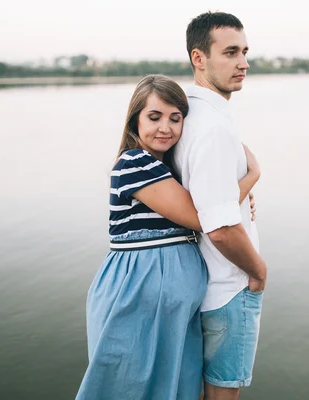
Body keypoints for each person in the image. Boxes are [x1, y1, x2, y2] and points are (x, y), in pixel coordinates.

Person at [75, 74, 261, 400]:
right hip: (138, 297)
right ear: (135, 119)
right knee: (130, 387)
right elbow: (202, 217)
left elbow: (207, 204)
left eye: (176, 119)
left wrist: (233, 197)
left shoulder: (169, 169)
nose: (166, 127)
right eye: (154, 116)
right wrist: (251, 179)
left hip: (173, 307)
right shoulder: (135, 163)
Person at [173, 12, 267, 400]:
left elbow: (205, 198)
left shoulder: (189, 117)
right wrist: (258, 272)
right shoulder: (211, 127)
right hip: (229, 287)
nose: (243, 63)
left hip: (203, 283)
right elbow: (221, 227)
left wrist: (243, 186)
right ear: (199, 58)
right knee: (223, 395)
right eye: (230, 52)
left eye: (244, 52)